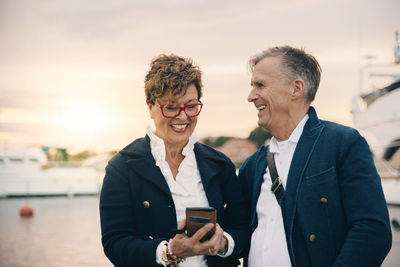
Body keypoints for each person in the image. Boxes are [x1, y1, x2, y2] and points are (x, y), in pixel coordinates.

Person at [238, 46, 392, 267]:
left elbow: (372, 232)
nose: (251, 96)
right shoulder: (253, 165)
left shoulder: (343, 144)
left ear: (296, 88)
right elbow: (241, 231)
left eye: (260, 85)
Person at [99, 54, 249, 267]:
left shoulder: (221, 165)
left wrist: (224, 243)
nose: (182, 116)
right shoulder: (122, 167)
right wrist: (169, 252)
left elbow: (244, 228)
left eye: (190, 106)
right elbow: (114, 243)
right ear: (150, 107)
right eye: (171, 107)